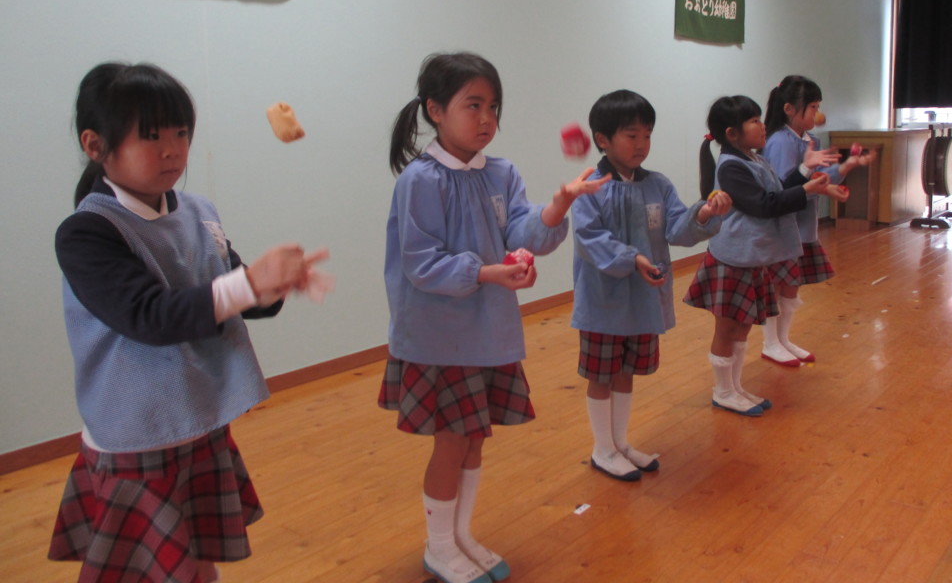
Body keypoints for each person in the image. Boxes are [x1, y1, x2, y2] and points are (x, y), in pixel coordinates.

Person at [49, 62, 328, 583]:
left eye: (181, 133)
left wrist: (271, 286)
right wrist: (249, 284)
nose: (173, 150)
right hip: (138, 433)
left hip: (197, 418)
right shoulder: (87, 232)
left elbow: (227, 291)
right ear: (95, 144)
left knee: (196, 557)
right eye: (151, 136)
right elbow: (151, 317)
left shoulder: (198, 211)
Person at [378, 52, 611, 583]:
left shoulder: (501, 173)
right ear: (435, 110)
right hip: (440, 339)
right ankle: (439, 547)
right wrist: (487, 273)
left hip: (488, 332)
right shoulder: (421, 180)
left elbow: (523, 232)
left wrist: (559, 204)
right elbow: (420, 263)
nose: (486, 118)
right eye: (473, 105)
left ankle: (460, 536)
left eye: (494, 107)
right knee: (452, 441)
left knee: (474, 437)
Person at [570, 90, 731, 481]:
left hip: (643, 298)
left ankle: (620, 442)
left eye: (647, 135)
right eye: (632, 135)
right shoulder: (590, 187)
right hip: (603, 301)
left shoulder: (657, 184)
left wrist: (704, 214)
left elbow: (677, 227)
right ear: (603, 139)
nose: (641, 144)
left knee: (626, 371)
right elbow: (590, 238)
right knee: (601, 375)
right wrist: (632, 258)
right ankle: (602, 449)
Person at [683, 95, 841, 416]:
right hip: (733, 259)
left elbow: (776, 190)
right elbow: (764, 205)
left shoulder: (754, 158)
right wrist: (806, 191)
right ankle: (723, 391)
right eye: (754, 120)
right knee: (727, 329)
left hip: (752, 257)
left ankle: (734, 387)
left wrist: (804, 170)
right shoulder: (731, 167)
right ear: (732, 133)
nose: (763, 125)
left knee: (741, 328)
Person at [761, 75, 876, 366]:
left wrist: (847, 166)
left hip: (801, 227)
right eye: (812, 107)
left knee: (791, 285)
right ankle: (770, 342)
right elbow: (784, 188)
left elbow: (819, 177)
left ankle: (783, 339)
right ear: (789, 109)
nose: (817, 113)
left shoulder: (809, 140)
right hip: (784, 228)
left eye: (817, 106)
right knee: (778, 285)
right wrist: (821, 185)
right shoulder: (780, 141)